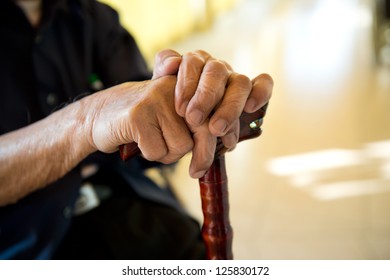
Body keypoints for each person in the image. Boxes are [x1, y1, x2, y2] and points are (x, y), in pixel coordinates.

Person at [0, 0, 273, 259]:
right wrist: (86, 121)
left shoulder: (94, 17)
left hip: (137, 211)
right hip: (32, 246)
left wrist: (189, 97)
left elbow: (150, 117)